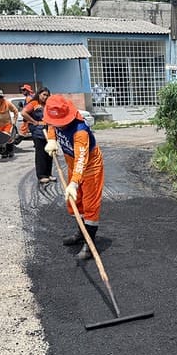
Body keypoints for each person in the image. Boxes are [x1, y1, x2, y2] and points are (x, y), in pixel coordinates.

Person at [42, 95, 104, 260]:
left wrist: (74, 183)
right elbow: (51, 125)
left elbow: (81, 160)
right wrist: (52, 140)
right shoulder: (55, 120)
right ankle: (81, 233)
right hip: (72, 165)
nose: (57, 124)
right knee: (75, 203)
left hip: (90, 168)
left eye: (60, 122)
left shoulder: (80, 131)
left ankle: (89, 245)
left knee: (90, 206)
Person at [21, 87, 54, 183]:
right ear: (39, 94)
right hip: (38, 131)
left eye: (47, 95)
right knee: (41, 153)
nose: (45, 97)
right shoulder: (34, 103)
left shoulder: (48, 105)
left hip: (49, 130)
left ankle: (49, 173)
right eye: (44, 95)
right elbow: (23, 113)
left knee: (50, 152)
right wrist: (33, 121)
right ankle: (41, 175)